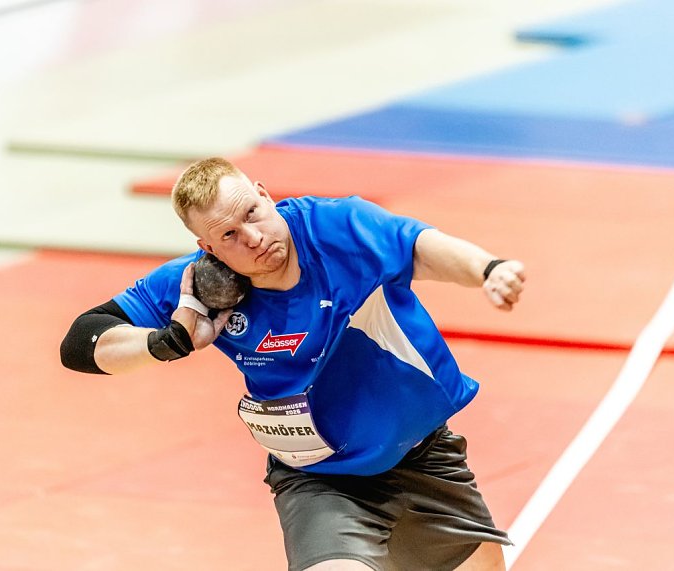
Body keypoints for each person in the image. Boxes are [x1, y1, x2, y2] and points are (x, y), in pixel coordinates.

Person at [60, 157, 526, 571]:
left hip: (423, 455)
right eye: (229, 235)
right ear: (208, 247)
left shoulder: (337, 227)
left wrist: (487, 269)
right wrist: (169, 341)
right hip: (319, 477)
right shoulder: (195, 282)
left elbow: (418, 245)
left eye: (251, 213)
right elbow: (82, 341)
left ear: (264, 195)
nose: (253, 238)